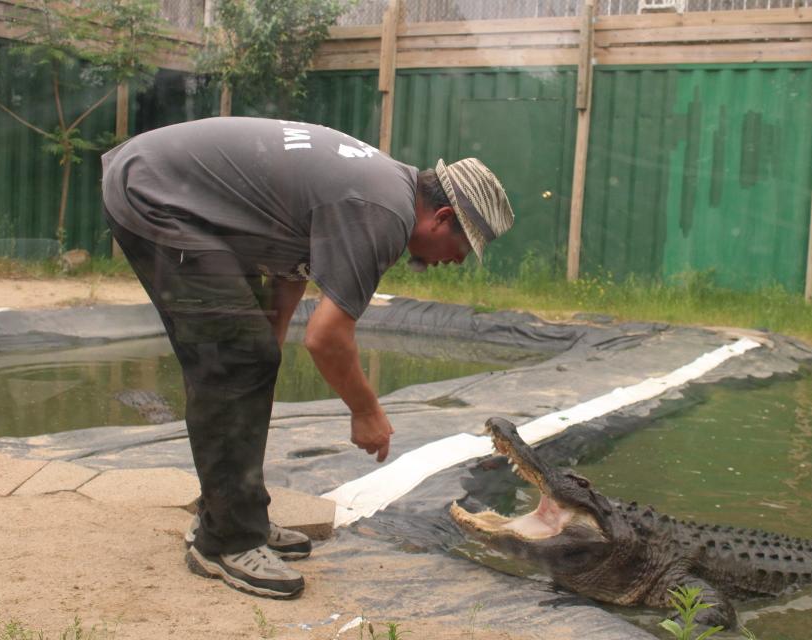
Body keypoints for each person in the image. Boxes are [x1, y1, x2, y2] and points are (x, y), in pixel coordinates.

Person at [100, 117, 514, 599]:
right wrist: (366, 411)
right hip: (158, 195)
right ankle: (226, 540)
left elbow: (293, 264)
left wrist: (267, 343)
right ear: (441, 217)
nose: (458, 261)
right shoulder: (382, 211)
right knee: (234, 362)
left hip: (173, 188)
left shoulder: (381, 188)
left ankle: (235, 512)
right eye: (464, 246)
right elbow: (327, 337)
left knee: (248, 359)